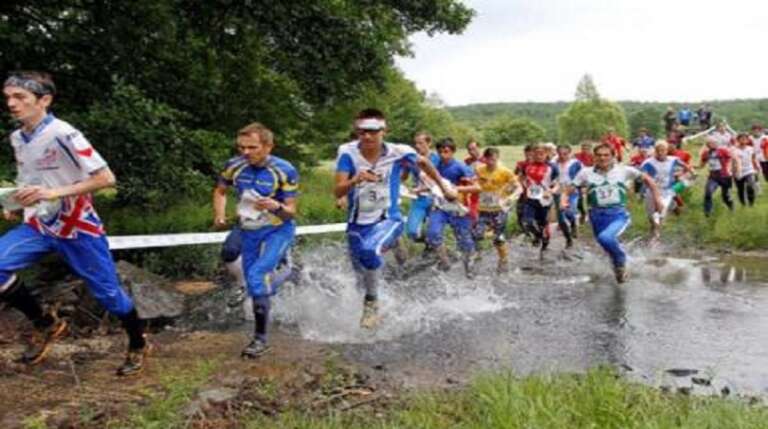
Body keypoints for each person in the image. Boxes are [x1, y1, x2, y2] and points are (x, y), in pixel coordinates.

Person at [0, 72, 147, 375]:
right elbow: (31, 178)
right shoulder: (18, 137)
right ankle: (45, 323)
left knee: (110, 296)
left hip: (77, 227)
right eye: (8, 98)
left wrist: (54, 192)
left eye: (20, 98)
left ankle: (138, 342)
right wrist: (16, 202)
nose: (11, 104)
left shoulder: (64, 134)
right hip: (40, 225)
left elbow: (106, 178)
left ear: (44, 100)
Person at [335, 108, 451, 329]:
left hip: (389, 218)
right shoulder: (347, 152)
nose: (367, 136)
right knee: (361, 273)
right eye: (362, 132)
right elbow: (338, 191)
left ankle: (372, 306)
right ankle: (383, 303)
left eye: (373, 131)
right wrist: (355, 181)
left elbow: (424, 163)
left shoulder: (399, 151)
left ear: (384, 131)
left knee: (370, 252)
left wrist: (444, 188)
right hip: (357, 222)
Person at [213, 122, 299, 358]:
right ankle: (285, 275)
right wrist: (219, 214)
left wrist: (276, 205)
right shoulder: (234, 166)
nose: (245, 153)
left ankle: (260, 340)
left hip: (277, 229)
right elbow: (220, 191)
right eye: (241, 147)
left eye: (252, 147)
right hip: (248, 228)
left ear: (268, 146)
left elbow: (291, 211)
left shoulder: (284, 169)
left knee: (257, 276)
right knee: (252, 281)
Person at [563, 143, 662, 283]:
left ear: (613, 157)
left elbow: (649, 180)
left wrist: (657, 199)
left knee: (605, 238)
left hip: (618, 215)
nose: (602, 158)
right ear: (594, 157)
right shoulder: (585, 172)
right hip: (596, 216)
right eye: (599, 155)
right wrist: (564, 200)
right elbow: (570, 189)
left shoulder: (624, 170)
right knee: (606, 246)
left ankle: (621, 263)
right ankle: (622, 266)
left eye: (606, 155)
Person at [426, 138, 480, 278]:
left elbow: (477, 187)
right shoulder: (435, 166)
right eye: (440, 152)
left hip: (458, 208)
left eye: (446, 151)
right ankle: (445, 262)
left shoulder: (461, 167)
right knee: (432, 234)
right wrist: (419, 189)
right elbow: (430, 182)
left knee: (464, 241)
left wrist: (457, 188)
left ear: (453, 151)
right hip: (441, 207)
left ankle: (470, 269)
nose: (443, 154)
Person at [472, 147, 520, 273]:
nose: (491, 162)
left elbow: (518, 188)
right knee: (477, 234)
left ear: (497, 158)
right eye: (488, 159)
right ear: (485, 159)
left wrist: (510, 198)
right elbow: (473, 184)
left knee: (498, 237)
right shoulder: (479, 170)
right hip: (483, 209)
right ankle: (477, 254)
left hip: (500, 209)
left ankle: (503, 260)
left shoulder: (505, 172)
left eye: (494, 159)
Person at [640, 141, 694, 239]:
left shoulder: (673, 160)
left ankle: (656, 236)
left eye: (663, 150)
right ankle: (653, 231)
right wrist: (645, 180)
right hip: (651, 191)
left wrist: (688, 174)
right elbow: (641, 175)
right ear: (655, 151)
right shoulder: (648, 162)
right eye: (658, 150)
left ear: (667, 151)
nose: (661, 153)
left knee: (660, 212)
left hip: (666, 191)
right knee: (652, 216)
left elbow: (687, 167)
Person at [520, 143, 560, 257]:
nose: (539, 156)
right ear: (532, 154)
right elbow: (522, 178)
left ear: (546, 154)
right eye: (536, 153)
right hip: (530, 199)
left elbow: (557, 184)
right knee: (527, 221)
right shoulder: (526, 166)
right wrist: (523, 187)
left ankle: (544, 247)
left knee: (543, 224)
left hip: (544, 200)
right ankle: (537, 236)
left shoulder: (552, 167)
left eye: (541, 154)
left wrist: (550, 191)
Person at [404, 132, 440, 245]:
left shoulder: (437, 159)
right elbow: (404, 177)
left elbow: (440, 180)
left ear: (429, 143)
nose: (417, 146)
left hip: (435, 198)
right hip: (419, 199)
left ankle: (434, 250)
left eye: (421, 143)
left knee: (434, 230)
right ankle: (430, 244)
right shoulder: (412, 159)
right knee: (411, 232)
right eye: (416, 143)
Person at [700, 136, 739, 216]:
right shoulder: (705, 153)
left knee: (725, 197)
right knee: (708, 192)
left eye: (715, 142)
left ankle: (731, 207)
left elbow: (735, 159)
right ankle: (708, 212)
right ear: (707, 144)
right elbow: (702, 165)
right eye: (711, 143)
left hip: (725, 177)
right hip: (713, 177)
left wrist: (735, 170)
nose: (713, 144)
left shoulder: (723, 151)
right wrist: (692, 168)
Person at [555, 144, 583, 248]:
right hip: (558, 191)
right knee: (561, 218)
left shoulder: (576, 163)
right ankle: (568, 239)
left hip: (571, 190)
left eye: (565, 154)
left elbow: (583, 175)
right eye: (560, 154)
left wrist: (581, 186)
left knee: (570, 211)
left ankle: (573, 224)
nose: (562, 156)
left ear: (569, 153)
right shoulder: (554, 163)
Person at [733, 133, 759, 207]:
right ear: (738, 140)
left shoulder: (750, 149)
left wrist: (756, 167)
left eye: (745, 138)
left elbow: (753, 158)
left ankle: (751, 203)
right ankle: (743, 203)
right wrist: (733, 172)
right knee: (740, 189)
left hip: (749, 170)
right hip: (738, 171)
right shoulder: (735, 150)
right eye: (742, 138)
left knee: (750, 186)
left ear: (747, 140)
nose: (744, 140)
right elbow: (733, 162)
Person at [463, 139, 486, 223]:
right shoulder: (466, 162)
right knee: (472, 212)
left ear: (479, 148)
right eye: (469, 149)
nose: (472, 151)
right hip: (471, 191)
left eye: (474, 149)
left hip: (484, 190)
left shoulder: (487, 160)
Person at [514, 145, 535, 235]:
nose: (528, 156)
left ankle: (533, 230)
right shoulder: (521, 164)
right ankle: (524, 231)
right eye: (527, 154)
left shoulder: (538, 165)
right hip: (522, 191)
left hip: (534, 192)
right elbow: (514, 175)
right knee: (520, 211)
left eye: (530, 154)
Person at [574, 141, 594, 224]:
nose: (585, 150)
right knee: (579, 199)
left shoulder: (593, 157)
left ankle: (591, 216)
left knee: (591, 198)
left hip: (590, 179)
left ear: (590, 149)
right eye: (583, 148)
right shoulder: (576, 156)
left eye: (587, 148)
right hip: (579, 179)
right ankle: (582, 212)